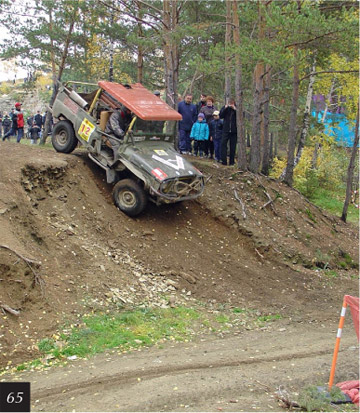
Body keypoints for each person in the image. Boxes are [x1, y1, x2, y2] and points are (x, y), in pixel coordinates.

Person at [220, 98, 237, 166]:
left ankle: (231, 162)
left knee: (232, 147)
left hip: (234, 131)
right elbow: (221, 115)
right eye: (229, 102)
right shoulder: (225, 107)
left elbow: (241, 116)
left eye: (232, 102)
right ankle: (224, 161)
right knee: (223, 144)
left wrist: (234, 109)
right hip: (225, 130)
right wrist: (226, 108)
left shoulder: (237, 108)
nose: (230, 104)